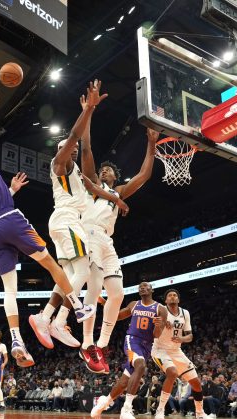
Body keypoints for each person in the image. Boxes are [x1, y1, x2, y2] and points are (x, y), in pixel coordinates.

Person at [0, 91, 100, 368]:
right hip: (11, 219)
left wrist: (10, 190)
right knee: (53, 265)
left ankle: (16, 338)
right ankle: (77, 307)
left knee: (9, 290)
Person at [28, 81, 130, 372]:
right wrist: (88, 111)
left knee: (73, 274)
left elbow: (94, 182)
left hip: (71, 227)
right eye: (67, 150)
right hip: (67, 221)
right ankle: (48, 318)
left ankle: (57, 320)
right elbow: (76, 139)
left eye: (72, 152)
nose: (72, 153)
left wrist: (116, 200)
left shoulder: (81, 181)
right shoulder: (59, 165)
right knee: (83, 270)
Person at [77, 125, 160, 374]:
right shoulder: (92, 185)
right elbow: (87, 151)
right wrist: (87, 119)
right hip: (89, 233)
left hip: (106, 240)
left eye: (109, 169)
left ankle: (101, 344)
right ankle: (87, 342)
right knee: (92, 291)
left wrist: (152, 143)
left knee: (117, 293)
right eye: (102, 169)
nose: (104, 170)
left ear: (115, 176)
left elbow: (144, 175)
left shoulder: (119, 191)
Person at [90, 282, 166, 419]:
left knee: (124, 382)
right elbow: (117, 316)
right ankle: (126, 408)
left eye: (145, 286)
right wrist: (104, 303)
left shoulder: (161, 309)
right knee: (141, 366)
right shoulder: (134, 304)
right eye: (140, 287)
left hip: (147, 346)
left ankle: (104, 403)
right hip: (132, 341)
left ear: (152, 290)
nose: (142, 288)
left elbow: (156, 335)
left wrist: (158, 326)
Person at [152, 289, 215, 419]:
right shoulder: (160, 310)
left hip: (176, 351)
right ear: (166, 300)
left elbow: (190, 336)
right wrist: (161, 324)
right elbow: (154, 332)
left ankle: (199, 412)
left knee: (196, 383)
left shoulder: (185, 313)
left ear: (178, 300)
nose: (172, 297)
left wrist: (182, 339)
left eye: (175, 295)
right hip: (160, 349)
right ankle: (160, 410)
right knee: (173, 373)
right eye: (169, 295)